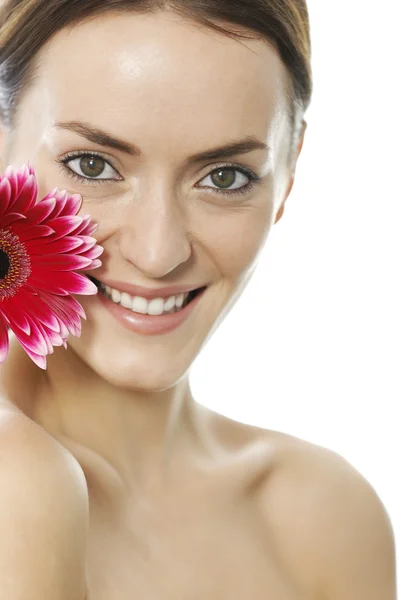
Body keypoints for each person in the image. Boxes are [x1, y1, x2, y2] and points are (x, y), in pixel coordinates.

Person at [0, 1, 396, 598]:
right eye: (92, 164)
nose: (159, 252)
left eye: (226, 177)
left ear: (288, 175)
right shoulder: (13, 483)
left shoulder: (326, 513)